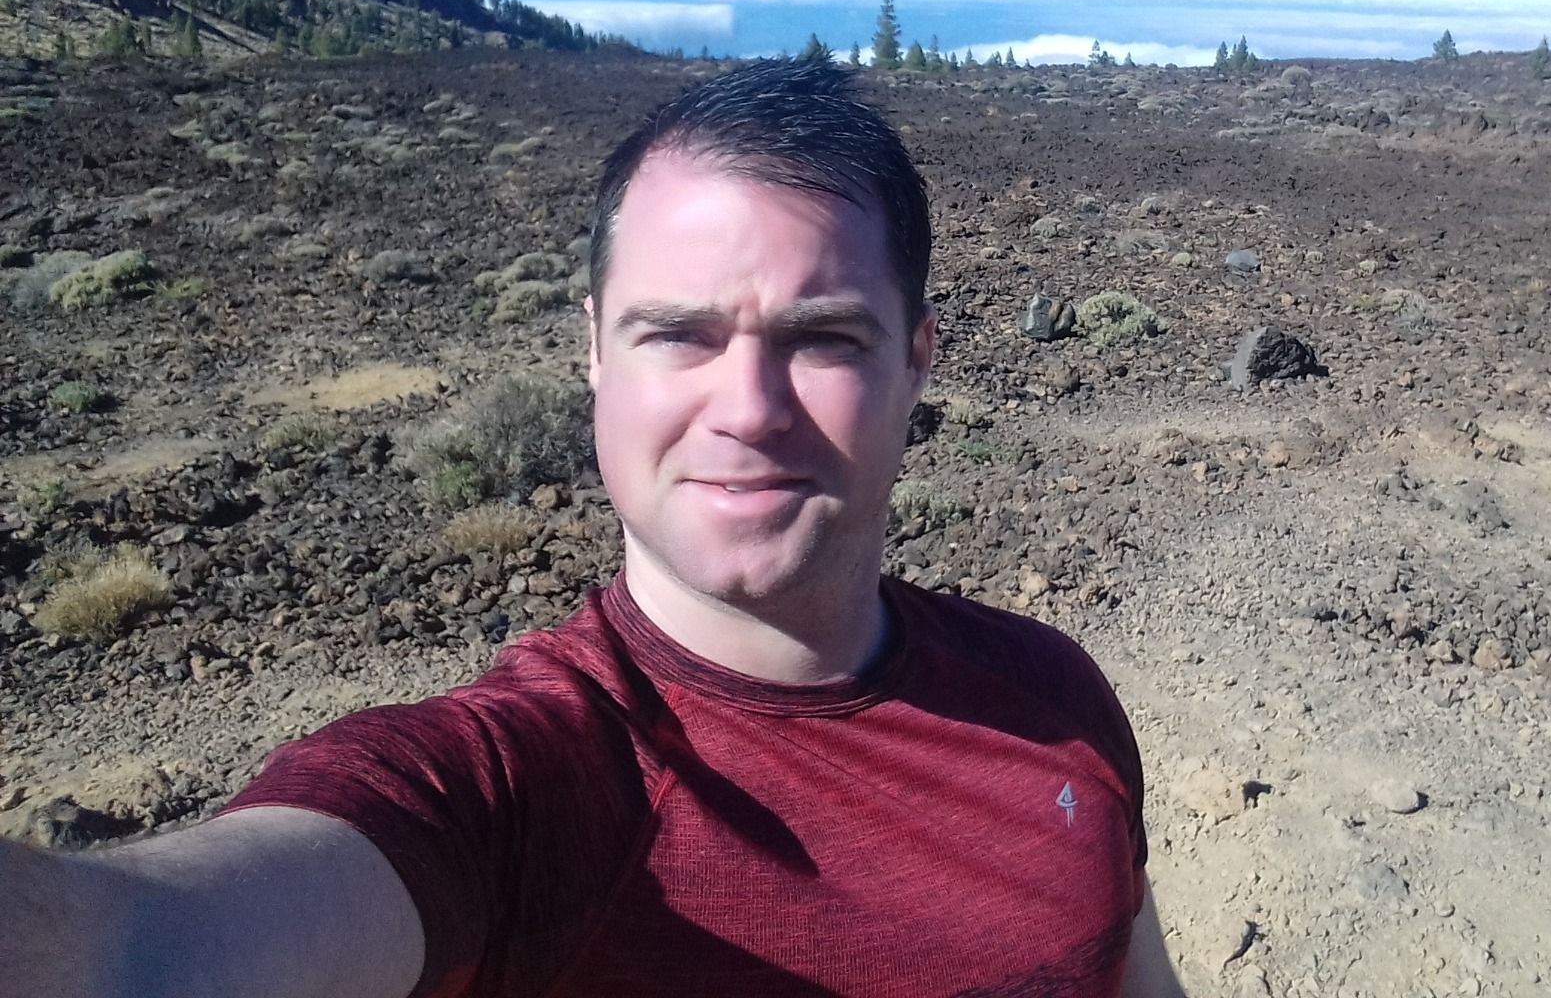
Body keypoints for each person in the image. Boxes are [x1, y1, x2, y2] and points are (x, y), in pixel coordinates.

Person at [1, 59, 1183, 998]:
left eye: (824, 338)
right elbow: (146, 954)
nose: (751, 410)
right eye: (678, 334)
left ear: (918, 362)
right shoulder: (515, 793)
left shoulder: (1055, 700)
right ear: (592, 350)